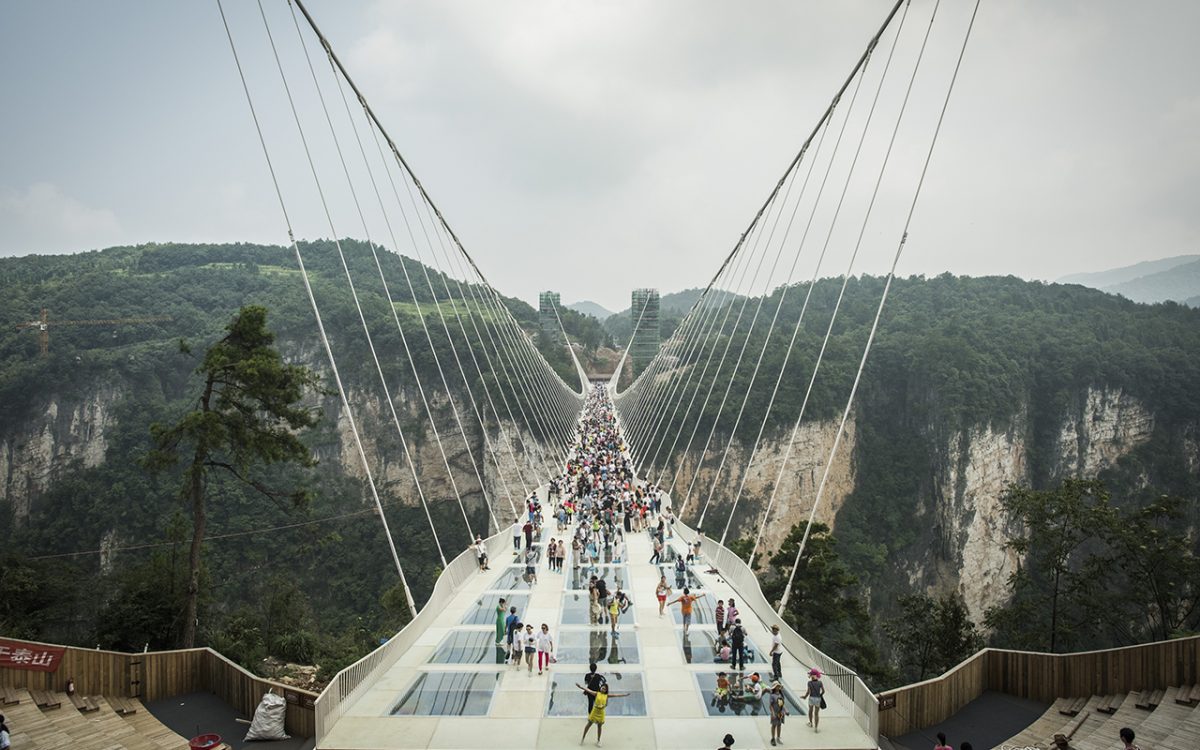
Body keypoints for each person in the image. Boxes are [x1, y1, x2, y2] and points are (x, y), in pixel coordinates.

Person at [575, 682, 629, 747]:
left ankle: (598, 740)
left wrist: (625, 695)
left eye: (604, 689)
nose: (603, 689)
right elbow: (588, 690)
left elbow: (616, 695)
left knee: (599, 727)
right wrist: (580, 686)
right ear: (600, 688)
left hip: (601, 713)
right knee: (588, 724)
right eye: (602, 688)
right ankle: (583, 739)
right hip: (594, 711)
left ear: (606, 690)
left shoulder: (607, 696)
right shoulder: (596, 693)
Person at [802, 668, 824, 732]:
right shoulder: (820, 683)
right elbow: (823, 691)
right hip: (818, 699)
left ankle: (811, 723)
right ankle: (816, 728)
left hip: (811, 698)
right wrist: (820, 695)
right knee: (816, 714)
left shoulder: (809, 683)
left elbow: (808, 692)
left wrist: (805, 697)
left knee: (810, 711)